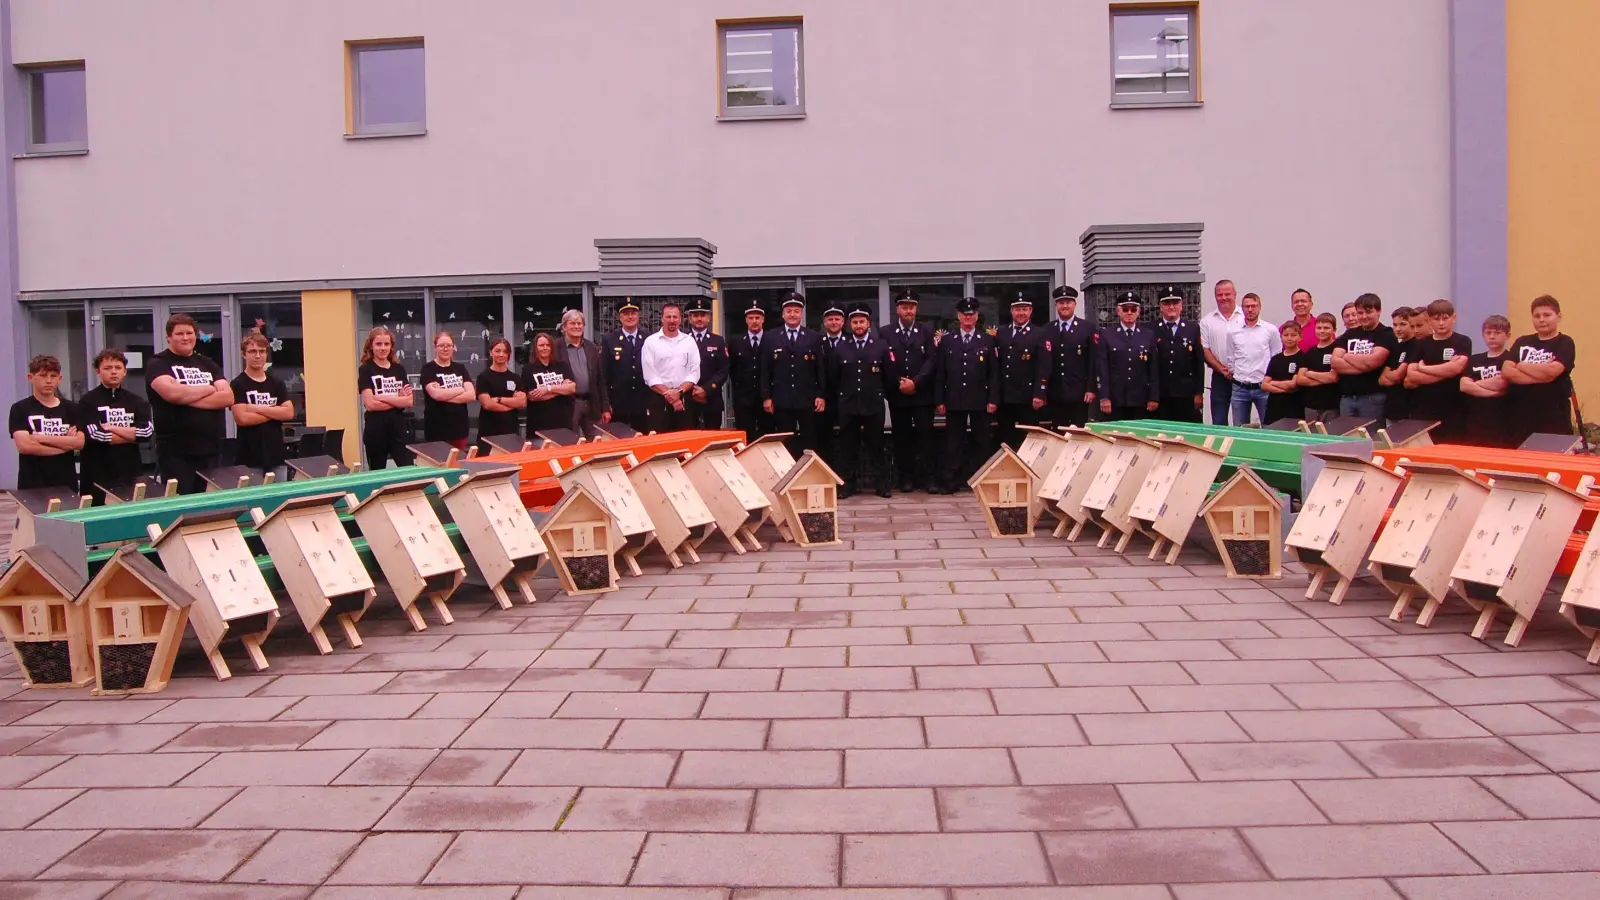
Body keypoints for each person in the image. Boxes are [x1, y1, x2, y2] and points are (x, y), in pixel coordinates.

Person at [146, 313, 232, 494]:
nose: (186, 338)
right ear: (168, 337)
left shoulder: (207, 363)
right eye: (179, 334)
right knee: (182, 504)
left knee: (210, 505)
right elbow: (172, 394)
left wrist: (186, 398)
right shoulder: (158, 363)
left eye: (189, 333)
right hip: (175, 453)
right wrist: (208, 389)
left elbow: (228, 397)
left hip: (210, 449)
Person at [933, 296, 998, 493]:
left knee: (982, 442)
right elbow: (940, 373)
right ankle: (951, 481)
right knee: (954, 443)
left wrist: (993, 399)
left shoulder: (987, 340)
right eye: (964, 314)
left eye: (972, 314)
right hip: (954, 400)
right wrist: (939, 399)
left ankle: (981, 482)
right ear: (958, 316)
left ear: (977, 316)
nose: (968, 318)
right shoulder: (947, 341)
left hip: (980, 400)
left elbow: (993, 374)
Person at [880, 288, 937, 492]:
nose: (908, 311)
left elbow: (931, 360)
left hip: (922, 395)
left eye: (911, 307)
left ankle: (928, 479)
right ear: (897, 309)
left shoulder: (927, 331)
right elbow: (885, 361)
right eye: (904, 307)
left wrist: (916, 382)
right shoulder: (885, 332)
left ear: (916, 309)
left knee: (925, 438)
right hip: (898, 395)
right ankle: (906, 479)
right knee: (902, 439)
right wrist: (899, 382)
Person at [79, 349, 153, 502]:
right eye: (107, 368)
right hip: (97, 473)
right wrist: (132, 435)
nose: (113, 372)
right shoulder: (87, 401)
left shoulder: (136, 400)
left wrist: (112, 428)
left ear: (124, 371)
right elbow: (95, 435)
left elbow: (146, 433)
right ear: (98, 372)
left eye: (118, 368)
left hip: (130, 471)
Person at [1502, 294, 1577, 446]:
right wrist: (1542, 376)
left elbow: (1552, 371)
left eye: (1547, 315)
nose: (1541, 320)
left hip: (1553, 418)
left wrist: (1522, 366)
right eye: (1537, 316)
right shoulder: (1522, 341)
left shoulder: (1565, 342)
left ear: (1558, 316)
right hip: (1520, 418)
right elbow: (1507, 371)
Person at [834, 304, 893, 499]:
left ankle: (882, 485)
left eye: (862, 322)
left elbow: (888, 377)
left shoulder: (880, 346)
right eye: (855, 322)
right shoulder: (841, 347)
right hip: (848, 405)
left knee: (876, 445)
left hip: (873, 404)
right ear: (850, 325)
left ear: (868, 324)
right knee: (847, 447)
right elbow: (834, 377)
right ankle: (848, 485)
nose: (858, 325)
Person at [760, 292, 826, 456]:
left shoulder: (814, 337)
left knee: (809, 441)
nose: (792, 314)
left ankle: (809, 475)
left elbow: (820, 369)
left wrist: (821, 394)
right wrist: (766, 397)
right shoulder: (770, 337)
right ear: (783, 314)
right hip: (781, 400)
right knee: (784, 443)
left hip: (807, 399)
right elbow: (764, 369)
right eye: (788, 311)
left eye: (796, 311)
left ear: (801, 314)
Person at [10, 354, 82, 491]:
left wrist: (42, 438)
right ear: (30, 378)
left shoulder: (71, 408)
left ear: (59, 379)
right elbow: (25, 446)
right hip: (32, 484)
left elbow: (79, 442)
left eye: (53, 376)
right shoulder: (20, 408)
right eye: (43, 376)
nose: (49, 381)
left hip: (66, 483)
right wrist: (66, 444)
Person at [1405, 299, 1472, 440]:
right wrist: (1446, 371)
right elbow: (1411, 375)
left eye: (1445, 318)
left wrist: (1423, 368)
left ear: (1454, 318)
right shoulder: (1421, 344)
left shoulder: (1463, 341)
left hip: (1454, 409)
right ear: (1429, 320)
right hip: (1425, 409)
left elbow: (1456, 368)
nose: (1441, 323)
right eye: (1436, 319)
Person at [230, 333, 294, 473]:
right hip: (249, 458)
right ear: (244, 354)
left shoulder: (276, 383)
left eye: (262, 351)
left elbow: (289, 413)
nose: (257, 356)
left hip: (276, 454)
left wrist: (256, 408)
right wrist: (275, 412)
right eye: (252, 351)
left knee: (280, 494)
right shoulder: (238, 384)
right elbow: (242, 418)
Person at [994, 292, 1050, 450]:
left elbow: (1043, 366)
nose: (1021, 313)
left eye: (1024, 309)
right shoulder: (1002, 332)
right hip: (1005, 397)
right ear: (1011, 311)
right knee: (1006, 437)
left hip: (1028, 396)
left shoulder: (1040, 333)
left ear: (1031, 311)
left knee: (1029, 438)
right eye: (1017, 309)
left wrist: (1040, 393)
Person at [1332, 293, 1396, 427]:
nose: (1364, 316)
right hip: (1347, 398)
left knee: (1372, 439)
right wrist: (1364, 365)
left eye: (1368, 312)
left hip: (1372, 398)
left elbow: (1373, 362)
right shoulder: (1349, 334)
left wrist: (1347, 356)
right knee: (1347, 440)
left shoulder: (1386, 334)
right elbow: (1335, 362)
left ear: (1378, 311)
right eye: (1360, 313)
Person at [1096, 292, 1160, 421]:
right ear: (1118, 311)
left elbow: (1153, 369)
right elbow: (1102, 368)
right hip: (1115, 399)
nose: (1129, 313)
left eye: (1133, 309)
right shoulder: (1107, 334)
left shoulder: (1148, 335)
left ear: (1139, 311)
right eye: (1125, 309)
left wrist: (1153, 397)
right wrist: (1104, 397)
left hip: (1140, 398)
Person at [358, 325, 414, 468]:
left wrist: (380, 397)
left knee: (407, 468)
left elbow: (409, 401)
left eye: (386, 344)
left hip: (398, 427)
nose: (383, 348)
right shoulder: (366, 369)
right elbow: (370, 404)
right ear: (371, 346)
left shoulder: (398, 369)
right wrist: (397, 400)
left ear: (391, 347)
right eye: (378, 344)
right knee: (378, 471)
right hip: (376, 428)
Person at [641, 302, 701, 433]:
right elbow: (650, 376)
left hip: (684, 399)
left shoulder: (689, 341)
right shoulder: (651, 342)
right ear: (662, 318)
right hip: (659, 400)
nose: (672, 320)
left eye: (675, 317)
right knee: (660, 446)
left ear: (680, 319)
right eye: (668, 317)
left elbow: (694, 372)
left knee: (686, 445)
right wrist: (671, 397)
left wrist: (679, 392)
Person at [1225, 293, 1281, 426]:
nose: (1250, 310)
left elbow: (1277, 357)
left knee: (1270, 427)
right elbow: (1231, 357)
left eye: (1253, 306)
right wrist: (1237, 374)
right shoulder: (1232, 331)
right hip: (1240, 387)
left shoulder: (1270, 330)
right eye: (1246, 306)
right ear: (1242, 308)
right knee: (1239, 429)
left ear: (1260, 307)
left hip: (1264, 388)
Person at [1044, 285, 1095, 429]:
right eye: (1061, 303)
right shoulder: (1047, 329)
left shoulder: (1087, 328)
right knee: (1057, 431)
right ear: (1056, 305)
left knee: (1078, 433)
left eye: (1068, 302)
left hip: (1079, 392)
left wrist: (1090, 388)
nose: (1065, 306)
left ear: (1075, 304)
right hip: (1055, 392)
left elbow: (1092, 360)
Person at [1460, 315, 1515, 448]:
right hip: (1476, 420)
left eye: (1497, 333)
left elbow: (1502, 383)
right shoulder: (1474, 359)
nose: (1492, 336)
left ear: (1508, 335)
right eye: (1488, 333)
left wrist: (1475, 384)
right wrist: (1492, 393)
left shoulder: (1511, 358)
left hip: (1502, 421)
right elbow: (1464, 386)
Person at [1152, 286, 1204, 422]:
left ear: (1181, 305)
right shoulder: (1151, 330)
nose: (1171, 307)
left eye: (1175, 303)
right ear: (1160, 307)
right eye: (1167, 303)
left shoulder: (1192, 329)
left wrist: (1199, 392)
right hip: (1161, 394)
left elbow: (1198, 362)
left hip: (1186, 393)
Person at [600, 298, 651, 430]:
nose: (630, 317)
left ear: (638, 315)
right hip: (618, 403)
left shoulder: (648, 338)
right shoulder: (610, 340)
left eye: (633, 313)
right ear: (619, 317)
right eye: (626, 313)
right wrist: (606, 405)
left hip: (642, 402)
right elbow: (603, 375)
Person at [1199, 279, 1243, 425]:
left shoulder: (1245, 317)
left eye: (1227, 294)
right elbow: (1205, 349)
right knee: (1219, 420)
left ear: (1235, 294)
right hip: (1220, 377)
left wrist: (1237, 371)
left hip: (1244, 377)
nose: (1224, 298)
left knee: (1242, 422)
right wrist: (1223, 370)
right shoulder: (1207, 321)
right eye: (1220, 295)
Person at [557, 310, 607, 437]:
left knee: (597, 442)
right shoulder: (555, 347)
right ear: (564, 327)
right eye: (572, 323)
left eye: (579, 323)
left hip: (592, 403)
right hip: (568, 404)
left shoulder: (592, 347)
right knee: (570, 442)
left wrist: (605, 407)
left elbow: (600, 380)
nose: (577, 327)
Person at [421, 330, 474, 449]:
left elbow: (471, 395)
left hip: (459, 428)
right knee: (439, 465)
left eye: (449, 346)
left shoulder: (460, 368)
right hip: (437, 430)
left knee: (457, 464)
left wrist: (444, 394)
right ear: (435, 347)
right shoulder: (428, 369)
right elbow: (436, 395)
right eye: (441, 346)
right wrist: (460, 389)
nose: (445, 349)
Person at [728, 303, 771, 443]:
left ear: (763, 319)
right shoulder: (736, 341)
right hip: (744, 399)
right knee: (745, 437)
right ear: (746, 320)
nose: (754, 321)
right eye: (751, 318)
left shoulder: (772, 340)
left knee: (767, 436)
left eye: (757, 317)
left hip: (767, 398)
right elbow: (732, 369)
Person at [475, 337, 526, 452]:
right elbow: (487, 404)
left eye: (505, 351)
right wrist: (511, 404)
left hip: (511, 432)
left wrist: (498, 399)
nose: (501, 354)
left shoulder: (515, 378)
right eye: (497, 351)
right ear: (490, 352)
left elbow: (522, 402)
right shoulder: (483, 377)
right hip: (488, 434)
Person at [523, 332, 578, 436]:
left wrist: (547, 389)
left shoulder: (562, 366)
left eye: (548, 345)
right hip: (539, 426)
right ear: (535, 348)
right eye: (541, 345)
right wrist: (561, 389)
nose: (545, 348)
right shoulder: (528, 369)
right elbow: (533, 396)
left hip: (563, 424)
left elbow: (572, 388)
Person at [685, 297, 728, 430]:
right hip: (688, 398)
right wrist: (692, 389)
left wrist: (706, 389)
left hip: (712, 398)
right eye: (695, 315)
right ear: (690, 318)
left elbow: (723, 370)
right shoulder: (682, 340)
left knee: (713, 439)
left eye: (703, 315)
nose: (699, 319)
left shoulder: (718, 341)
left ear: (709, 317)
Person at [1294, 313, 1342, 424]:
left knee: (1331, 438)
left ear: (1334, 330)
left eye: (1326, 328)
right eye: (1319, 328)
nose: (1322, 331)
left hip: (1331, 406)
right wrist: (1323, 378)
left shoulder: (1337, 349)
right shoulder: (1310, 352)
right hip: (1310, 406)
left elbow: (1333, 377)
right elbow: (1300, 379)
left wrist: (1310, 374)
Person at [817, 305, 847, 466]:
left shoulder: (850, 341)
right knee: (824, 439)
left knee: (846, 439)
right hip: (824, 399)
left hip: (847, 398)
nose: (833, 322)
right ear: (824, 322)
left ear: (843, 322)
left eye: (837, 319)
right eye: (830, 319)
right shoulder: (817, 342)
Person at [1262, 321, 1304, 425]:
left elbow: (1293, 384)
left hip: (1293, 409)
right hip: (1274, 408)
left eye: (1293, 335)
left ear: (1300, 337)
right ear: (1281, 337)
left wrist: (1273, 383)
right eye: (1286, 335)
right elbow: (1264, 384)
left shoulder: (1303, 357)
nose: (1289, 338)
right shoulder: (1276, 359)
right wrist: (1283, 389)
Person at [1381, 307, 1416, 422]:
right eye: (1395, 325)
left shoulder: (1416, 345)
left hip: (1409, 408)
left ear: (1412, 324)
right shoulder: (1396, 347)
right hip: (1392, 408)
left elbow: (1398, 376)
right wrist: (1394, 376)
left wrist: (1393, 376)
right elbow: (1382, 379)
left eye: (1402, 324)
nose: (1398, 329)